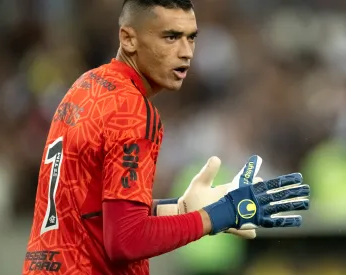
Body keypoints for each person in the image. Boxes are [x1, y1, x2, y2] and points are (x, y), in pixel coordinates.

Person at [23, 0, 311, 274]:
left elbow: (91, 211)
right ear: (128, 39)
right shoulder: (132, 109)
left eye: (191, 38)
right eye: (170, 37)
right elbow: (125, 240)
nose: (186, 52)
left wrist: (180, 208)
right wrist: (219, 216)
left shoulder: (85, 87)